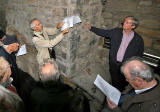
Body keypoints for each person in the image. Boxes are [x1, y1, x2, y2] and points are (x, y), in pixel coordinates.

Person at [87, 16, 144, 92]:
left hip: (126, 66)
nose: (124, 23)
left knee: (123, 82)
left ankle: (120, 93)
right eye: (125, 21)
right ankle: (113, 93)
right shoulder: (116, 32)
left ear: (133, 26)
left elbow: (139, 55)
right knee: (114, 79)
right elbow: (104, 32)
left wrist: (133, 68)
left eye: (127, 22)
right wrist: (91, 28)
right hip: (114, 63)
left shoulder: (138, 39)